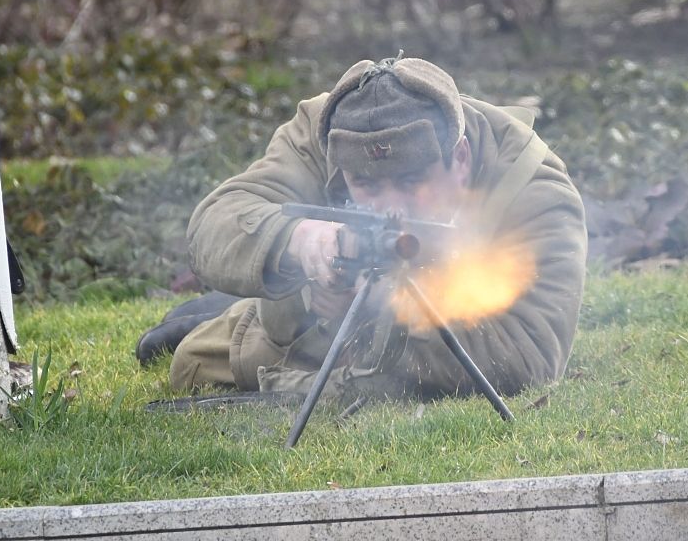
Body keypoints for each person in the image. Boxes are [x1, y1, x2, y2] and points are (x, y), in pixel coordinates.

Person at [138, 54, 587, 402]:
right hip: (318, 319)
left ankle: (228, 312)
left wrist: (380, 308)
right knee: (189, 365)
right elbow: (215, 224)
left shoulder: (534, 190)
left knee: (203, 355)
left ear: (461, 160)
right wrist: (298, 242)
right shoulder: (323, 132)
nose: (389, 204)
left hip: (425, 332)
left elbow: (528, 357)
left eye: (411, 181)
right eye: (367, 185)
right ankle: (229, 310)